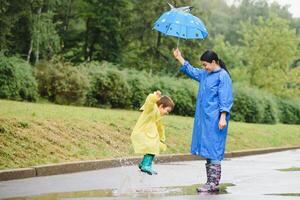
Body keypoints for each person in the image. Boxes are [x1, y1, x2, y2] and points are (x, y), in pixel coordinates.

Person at [173, 48, 233, 192]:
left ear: (214, 62)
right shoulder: (205, 74)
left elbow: (225, 97)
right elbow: (192, 71)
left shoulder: (223, 76)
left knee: (214, 149)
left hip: (216, 119)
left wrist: (223, 117)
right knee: (207, 149)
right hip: (204, 119)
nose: (203, 67)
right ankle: (210, 182)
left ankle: (213, 183)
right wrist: (179, 58)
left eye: (205, 64)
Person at [131, 90, 175, 175]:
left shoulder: (157, 117)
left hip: (147, 135)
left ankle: (144, 163)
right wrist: (154, 97)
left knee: (156, 145)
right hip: (141, 133)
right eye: (167, 110)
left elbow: (160, 128)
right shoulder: (151, 109)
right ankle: (146, 165)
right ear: (161, 106)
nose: (167, 113)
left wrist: (162, 139)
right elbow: (149, 102)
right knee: (153, 145)